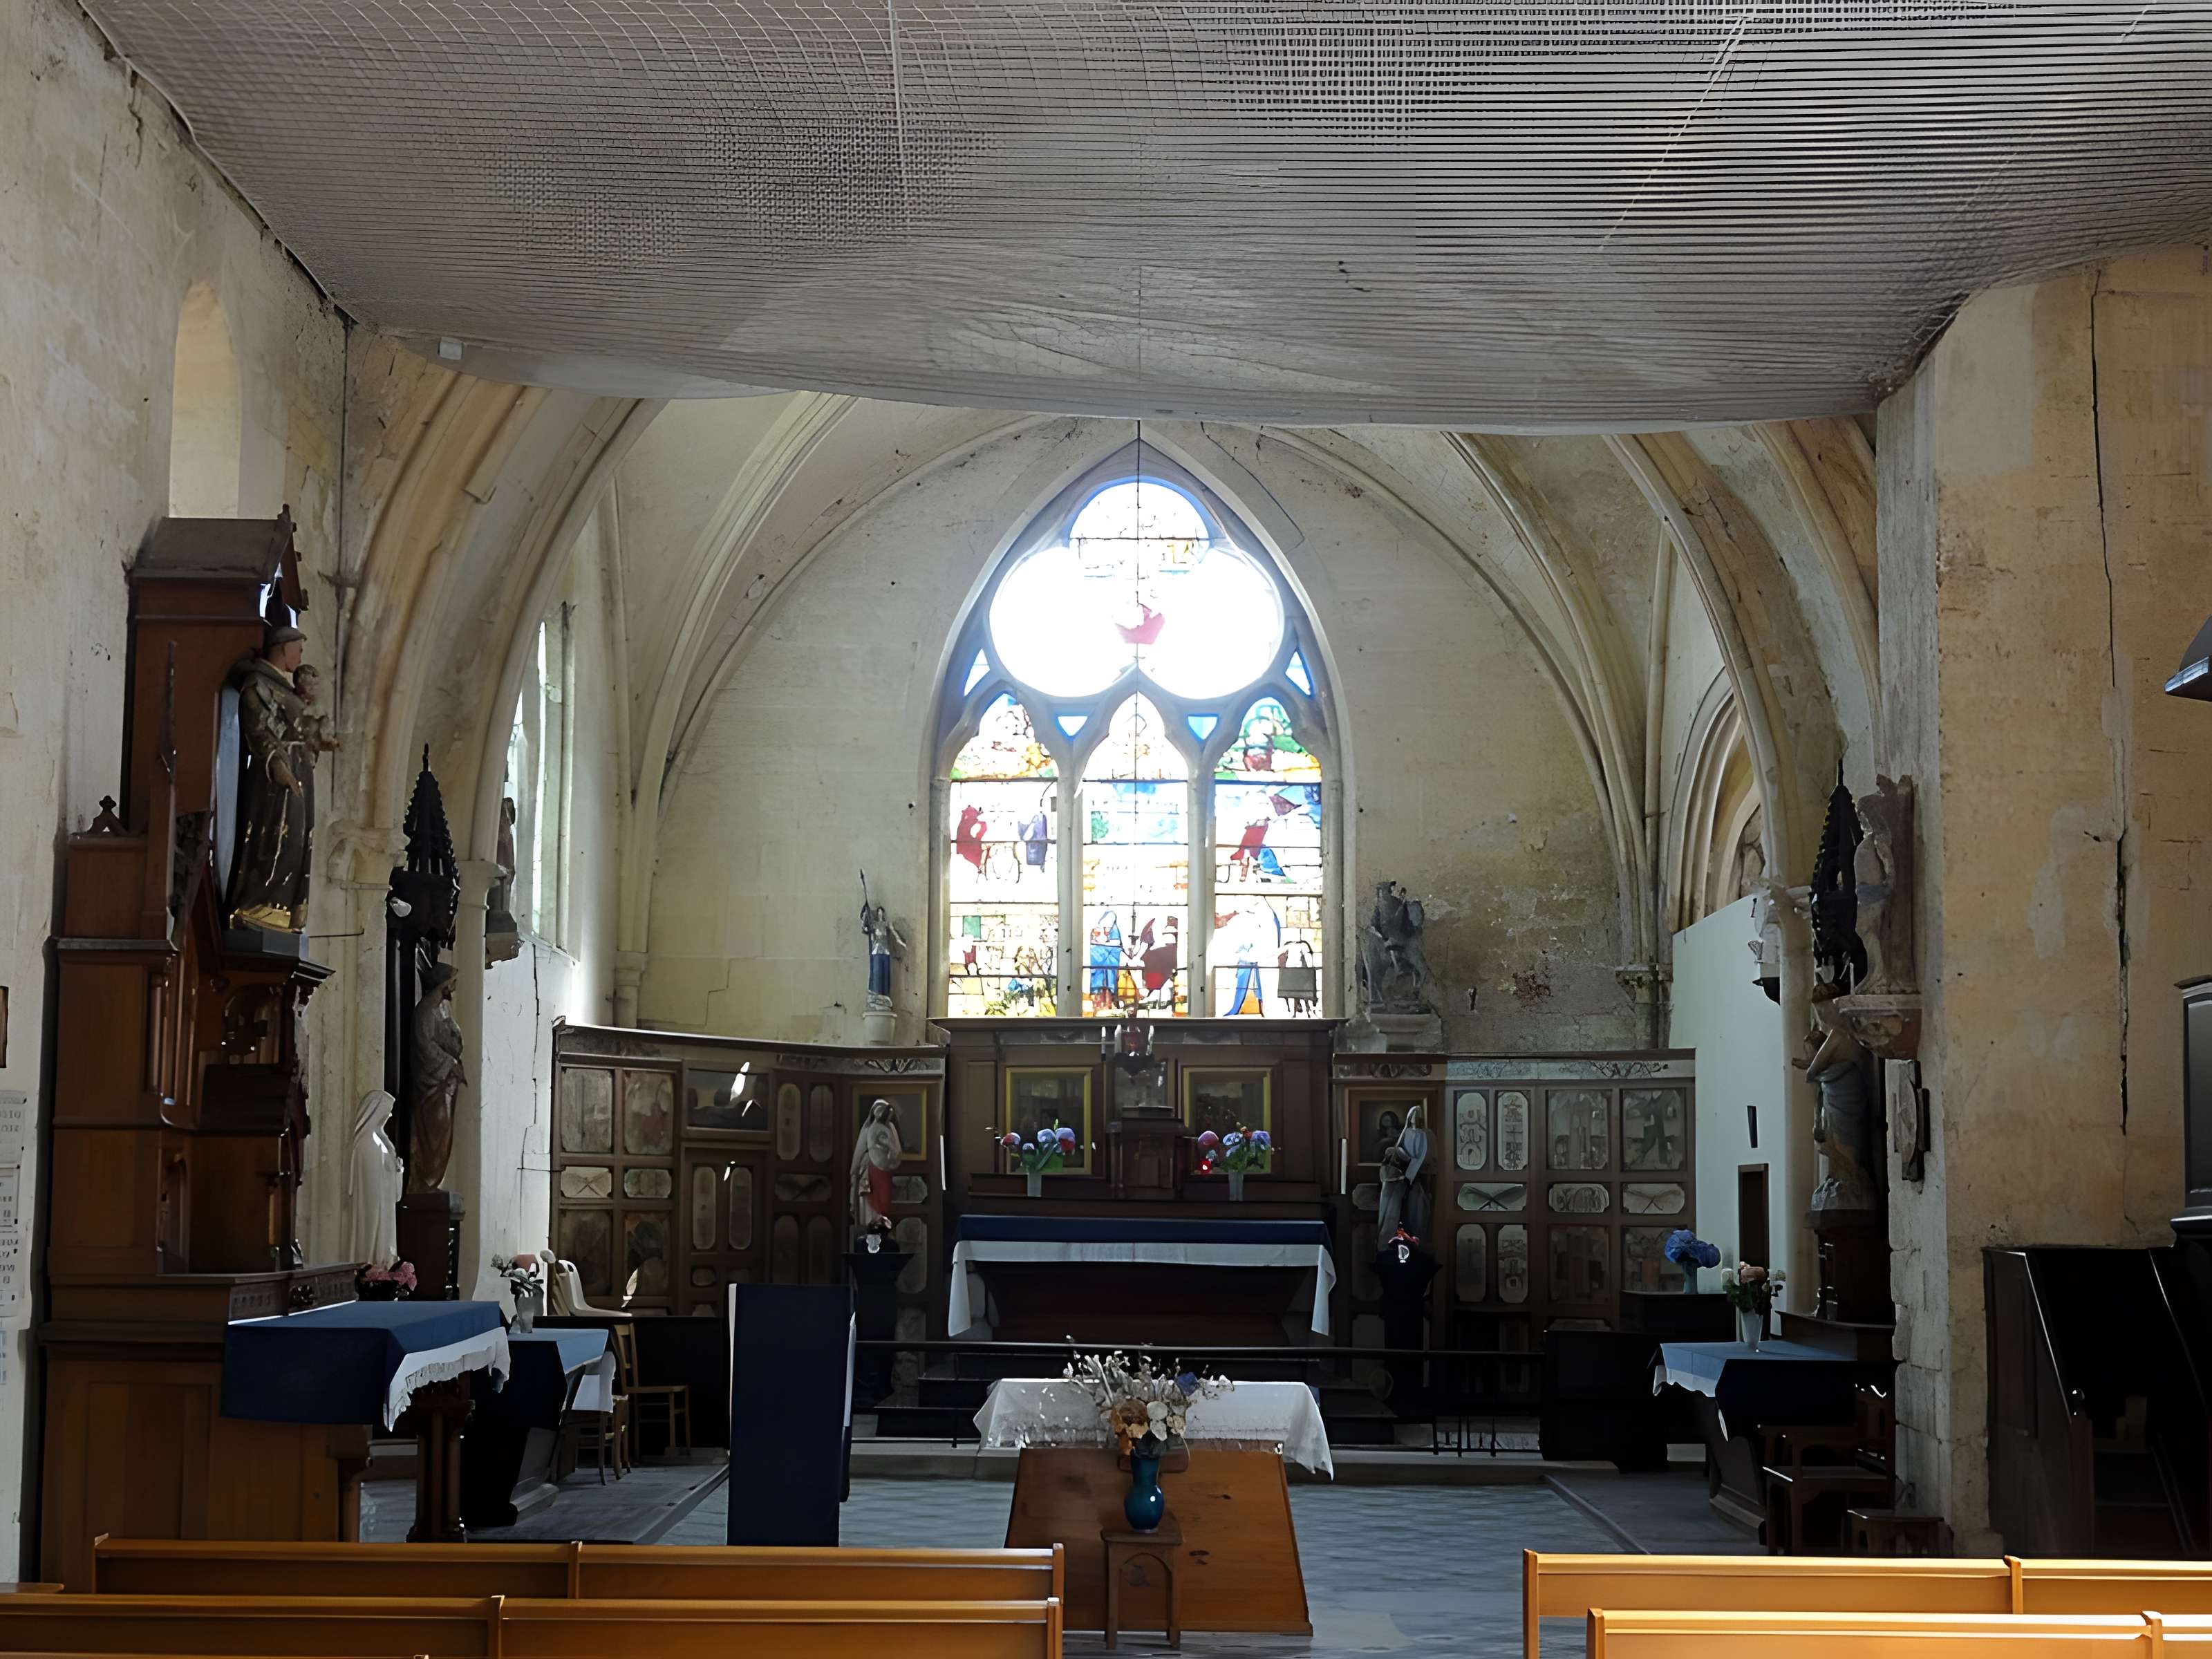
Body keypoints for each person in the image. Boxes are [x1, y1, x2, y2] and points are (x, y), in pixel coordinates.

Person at [225, 624, 315, 932]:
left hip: (299, 772)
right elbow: (258, 727)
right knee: (278, 838)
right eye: (298, 649)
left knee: (299, 840)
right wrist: (277, 763)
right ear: (284, 648)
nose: (300, 657)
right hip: (275, 779)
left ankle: (284, 909)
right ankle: (259, 905)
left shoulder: (285, 689)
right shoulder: (260, 683)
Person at [409, 962, 466, 1191]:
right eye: (451, 984)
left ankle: (431, 1179)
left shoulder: (441, 1011)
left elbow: (454, 1043)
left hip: (443, 1084)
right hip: (432, 1086)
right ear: (442, 985)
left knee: (444, 1132)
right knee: (436, 1130)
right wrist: (450, 1063)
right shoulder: (426, 1012)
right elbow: (424, 1045)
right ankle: (425, 1177)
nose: (453, 989)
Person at [346, 1089, 403, 1268]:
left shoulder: (379, 1142)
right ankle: (372, 1266)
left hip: (384, 1207)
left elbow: (387, 1181)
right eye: (387, 1111)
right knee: (373, 1240)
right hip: (375, 1208)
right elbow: (372, 1187)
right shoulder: (367, 1143)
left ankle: (380, 1265)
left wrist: (397, 1170)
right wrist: (391, 1171)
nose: (389, 1116)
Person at [849, 1098, 904, 1235]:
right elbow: (859, 1152)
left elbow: (896, 1151)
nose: (879, 1113)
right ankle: (867, 1229)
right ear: (872, 1112)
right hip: (868, 1170)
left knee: (883, 1203)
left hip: (884, 1170)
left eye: (882, 1110)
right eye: (877, 1110)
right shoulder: (868, 1129)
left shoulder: (890, 1128)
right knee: (867, 1204)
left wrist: (887, 1151)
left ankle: (882, 1229)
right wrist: (854, 1173)